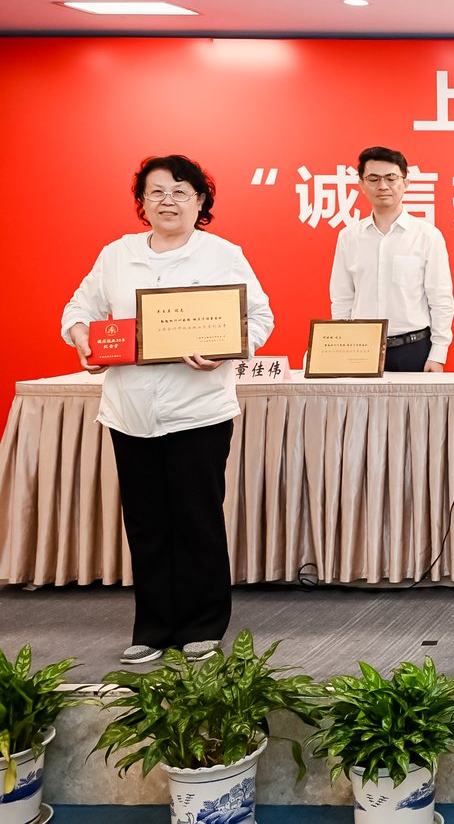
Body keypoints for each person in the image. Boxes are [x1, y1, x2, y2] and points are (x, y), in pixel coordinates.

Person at [61, 155, 273, 666]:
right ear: (142, 202)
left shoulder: (222, 254)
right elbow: (78, 309)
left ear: (200, 201)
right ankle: (152, 627)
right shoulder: (117, 254)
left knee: (197, 518)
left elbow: (260, 317)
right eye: (156, 192)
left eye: (180, 192)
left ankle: (203, 624)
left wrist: (226, 349)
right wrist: (83, 338)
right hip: (130, 410)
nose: (168, 201)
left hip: (198, 410)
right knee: (146, 522)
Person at [329, 146, 454, 372]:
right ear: (361, 184)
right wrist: (342, 349)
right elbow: (342, 299)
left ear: (405, 183)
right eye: (373, 179)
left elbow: (440, 299)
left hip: (414, 349)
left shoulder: (427, 236)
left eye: (391, 178)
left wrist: (438, 353)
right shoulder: (349, 237)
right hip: (360, 349)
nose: (383, 186)